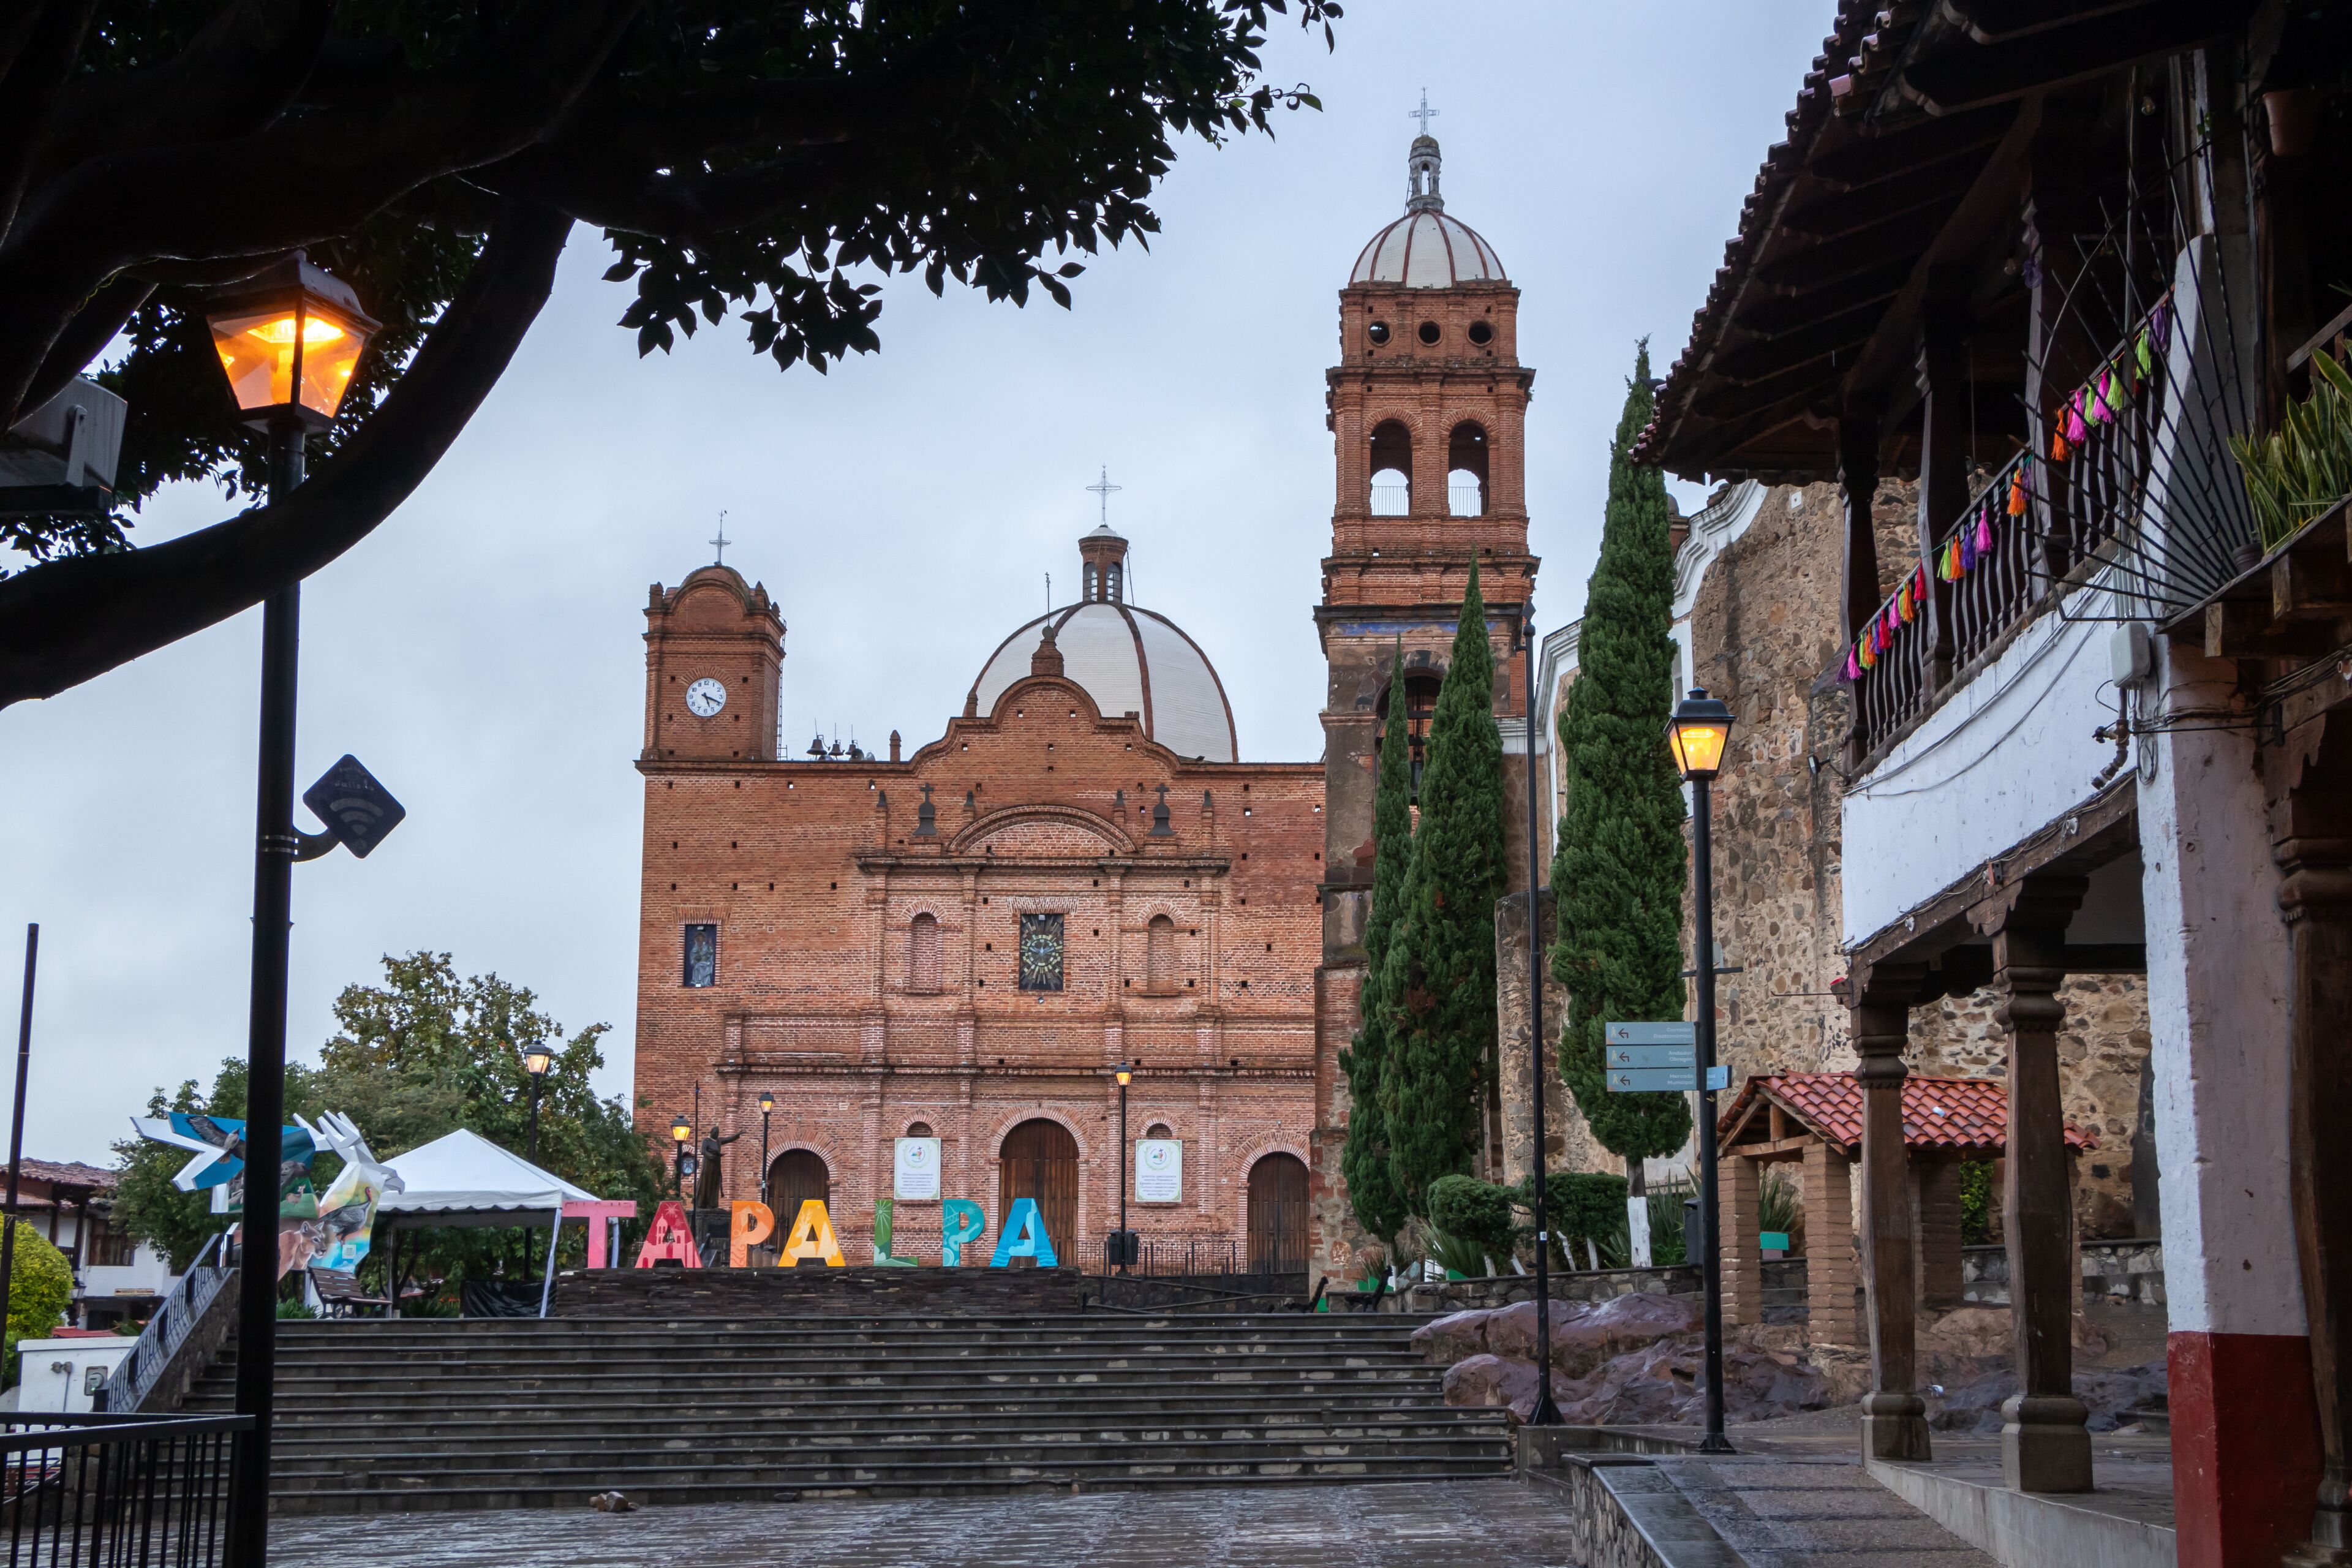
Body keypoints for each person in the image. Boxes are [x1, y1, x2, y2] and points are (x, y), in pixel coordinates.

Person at [692, 1125, 741, 1210]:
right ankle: (701, 1203)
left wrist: (738, 1134)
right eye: (715, 1133)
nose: (717, 1134)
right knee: (706, 1181)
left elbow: (728, 1139)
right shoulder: (706, 1141)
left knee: (714, 1182)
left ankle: (712, 1204)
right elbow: (703, 1151)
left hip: (716, 1164)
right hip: (708, 1164)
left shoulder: (718, 1141)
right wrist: (711, 1156)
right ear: (711, 1133)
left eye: (718, 1133)